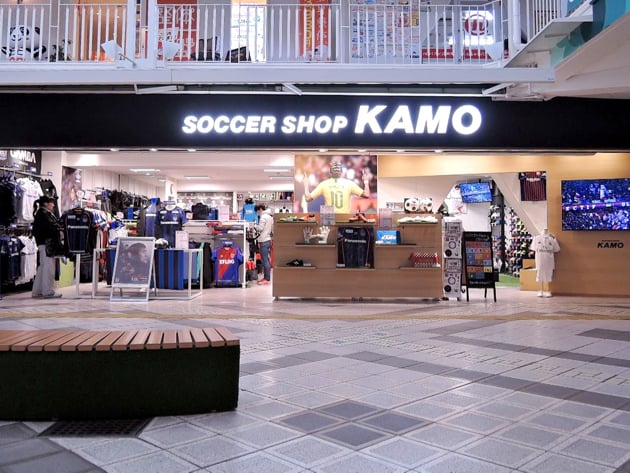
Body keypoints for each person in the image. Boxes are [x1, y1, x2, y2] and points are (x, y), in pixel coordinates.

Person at [303, 159, 370, 213]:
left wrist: (306, 184)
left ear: (330, 172)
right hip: (344, 220)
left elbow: (308, 198)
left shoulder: (323, 184)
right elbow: (366, 195)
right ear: (341, 171)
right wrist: (366, 181)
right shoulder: (349, 183)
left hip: (329, 220)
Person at [31, 196, 64, 298]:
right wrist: (58, 229)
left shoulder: (42, 214)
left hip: (43, 244)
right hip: (47, 244)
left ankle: (37, 291)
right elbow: (49, 229)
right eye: (52, 203)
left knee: (43, 268)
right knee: (48, 268)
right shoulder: (44, 215)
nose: (53, 205)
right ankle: (47, 291)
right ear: (46, 204)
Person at [531, 228, 560, 297]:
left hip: (549, 261)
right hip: (540, 260)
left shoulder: (552, 239)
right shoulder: (536, 238)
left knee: (548, 275)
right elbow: (533, 248)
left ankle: (547, 290)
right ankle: (540, 290)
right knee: (540, 275)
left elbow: (557, 249)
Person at [254, 203, 273, 285]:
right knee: (266, 260)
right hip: (268, 239)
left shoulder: (263, 217)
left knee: (265, 260)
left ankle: (266, 279)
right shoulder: (270, 217)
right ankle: (266, 277)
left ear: (260, 209)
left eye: (257, 211)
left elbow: (260, 228)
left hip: (264, 240)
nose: (257, 213)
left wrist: (254, 225)